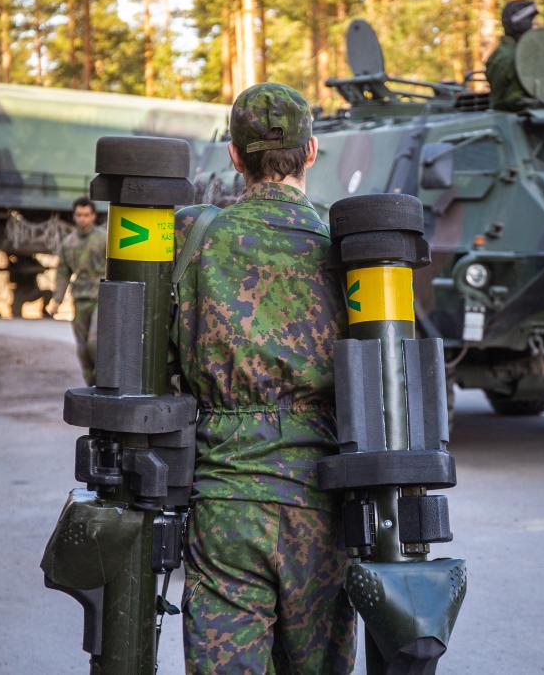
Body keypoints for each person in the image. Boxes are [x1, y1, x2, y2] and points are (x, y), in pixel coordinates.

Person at [172, 82, 355, 674]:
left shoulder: (198, 240)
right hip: (322, 500)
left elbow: (158, 362)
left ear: (233, 156)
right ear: (311, 152)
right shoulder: (350, 248)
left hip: (226, 499)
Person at [50, 197, 106, 385]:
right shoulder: (69, 243)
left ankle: (104, 381)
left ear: (93, 216)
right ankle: (90, 385)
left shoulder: (104, 239)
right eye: (79, 215)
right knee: (82, 349)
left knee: (94, 343)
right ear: (74, 216)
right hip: (80, 298)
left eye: (87, 215)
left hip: (101, 297)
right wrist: (57, 300)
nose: (83, 219)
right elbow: (62, 272)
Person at [485, 0, 539, 111]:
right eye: (532, 20)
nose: (536, 24)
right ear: (521, 24)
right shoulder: (506, 56)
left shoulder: (520, 52)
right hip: (511, 116)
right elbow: (506, 99)